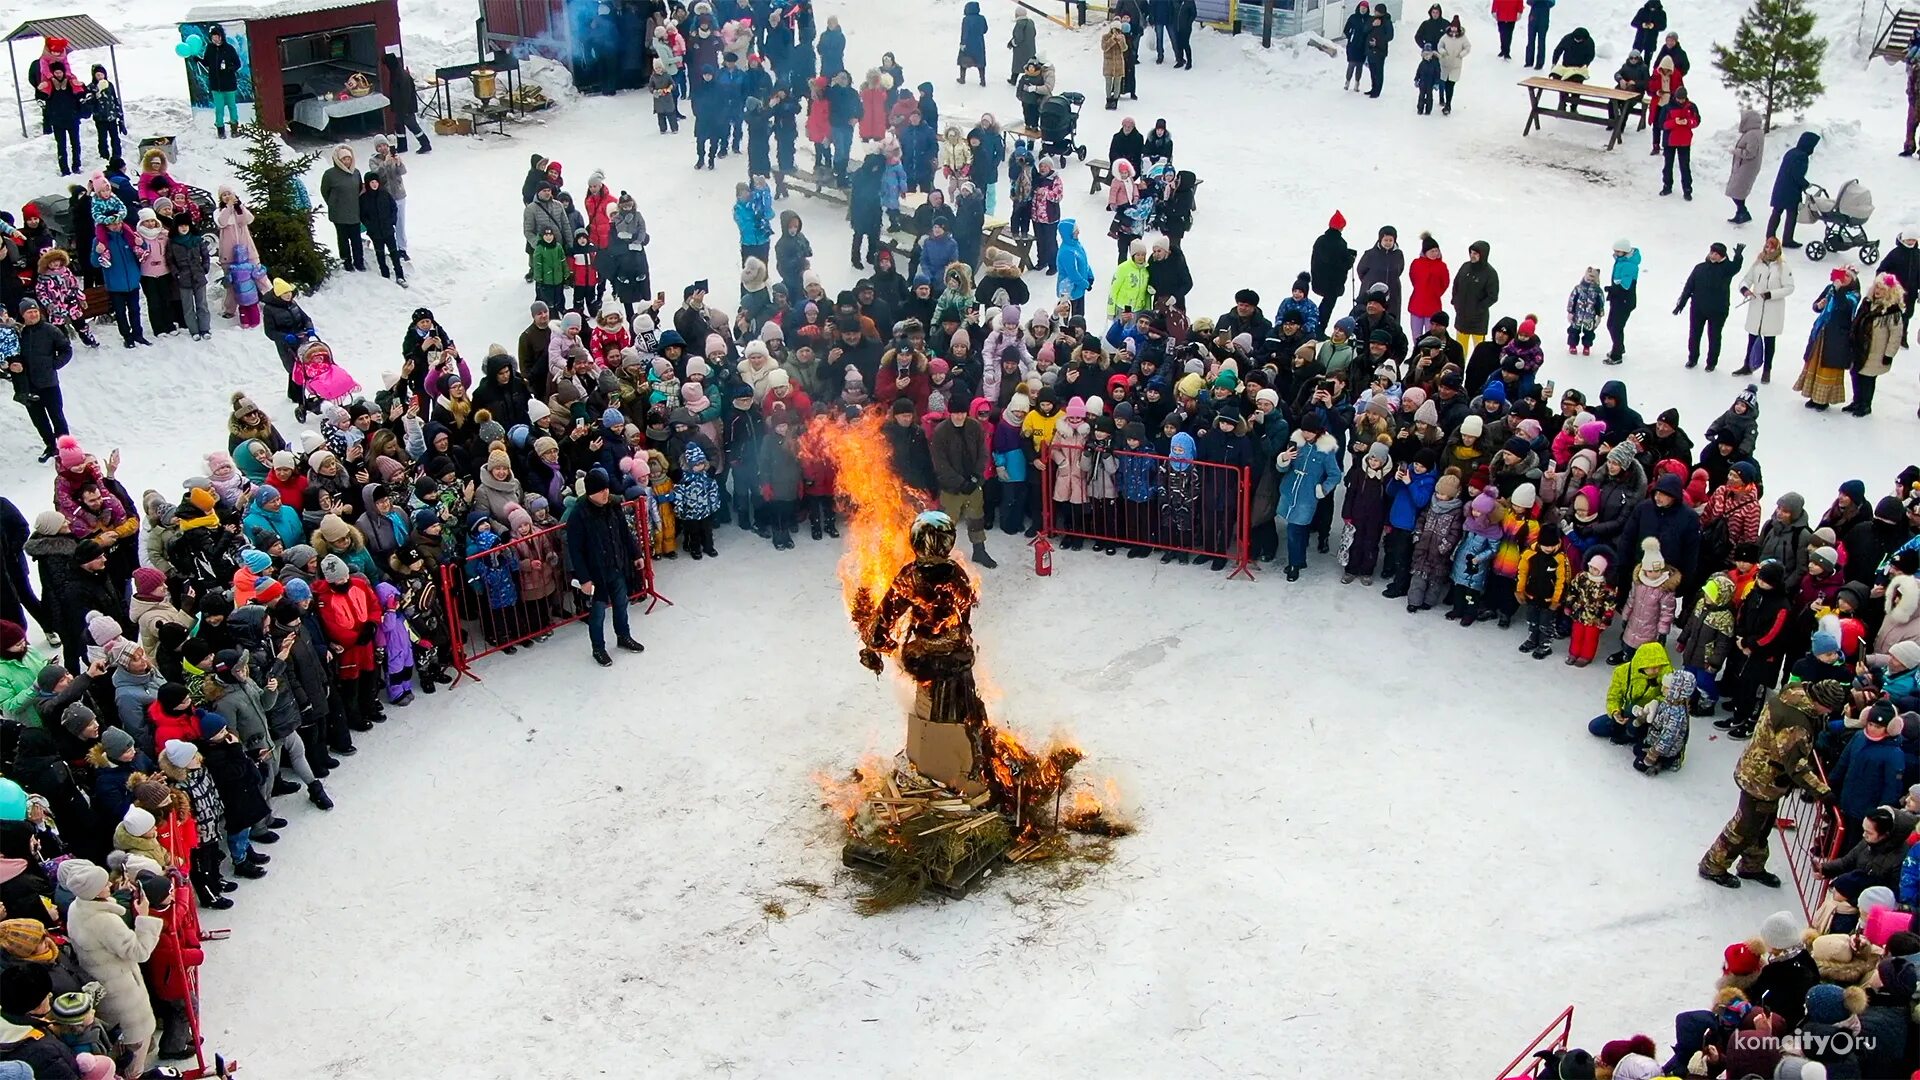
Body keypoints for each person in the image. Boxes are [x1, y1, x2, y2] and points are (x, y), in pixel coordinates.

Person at [1698, 680, 1846, 887]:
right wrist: (1823, 792)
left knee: (1762, 824)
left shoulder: (1794, 693)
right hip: (1761, 779)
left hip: (1764, 773)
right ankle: (1712, 865)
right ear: (1820, 702)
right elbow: (1796, 766)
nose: (1827, 713)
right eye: (1828, 709)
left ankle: (1753, 866)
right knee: (1745, 827)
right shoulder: (1795, 723)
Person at [564, 468, 646, 667]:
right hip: (595, 572)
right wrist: (584, 578)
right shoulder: (578, 515)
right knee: (598, 612)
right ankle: (598, 648)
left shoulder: (612, 505)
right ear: (590, 492)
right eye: (600, 490)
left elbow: (624, 532)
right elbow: (575, 550)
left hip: (615, 565)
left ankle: (623, 636)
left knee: (621, 603)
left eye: (607, 489)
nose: (605, 494)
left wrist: (636, 554)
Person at [6, 301, 72, 463]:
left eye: (35, 311)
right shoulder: (18, 333)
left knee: (57, 416)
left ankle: (66, 449)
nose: (33, 314)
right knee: (39, 420)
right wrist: (10, 367)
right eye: (29, 312)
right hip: (27, 385)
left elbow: (66, 349)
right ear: (22, 315)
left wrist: (54, 364)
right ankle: (50, 446)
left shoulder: (50, 330)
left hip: (49, 383)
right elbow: (9, 354)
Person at [1795, 266, 1859, 411]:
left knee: (1828, 366)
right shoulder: (1831, 288)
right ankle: (1813, 395)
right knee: (1815, 363)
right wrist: (1818, 305)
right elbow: (1816, 305)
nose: (1844, 279)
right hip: (1822, 331)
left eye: (1848, 277)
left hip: (1837, 336)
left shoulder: (1854, 295)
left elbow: (1845, 307)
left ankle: (1824, 400)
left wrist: (1838, 290)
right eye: (1843, 275)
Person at [1673, 242, 1743, 371]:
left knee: (1714, 336)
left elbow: (1735, 267)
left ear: (1722, 256)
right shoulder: (1700, 268)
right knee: (1694, 334)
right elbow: (1689, 286)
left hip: (1718, 310)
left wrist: (1738, 257)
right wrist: (1681, 303)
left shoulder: (1726, 269)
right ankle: (1692, 358)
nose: (1713, 255)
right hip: (1698, 308)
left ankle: (1711, 362)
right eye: (1712, 252)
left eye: (1716, 254)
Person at [1847, 272, 1906, 417]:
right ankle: (1857, 400)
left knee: (1868, 379)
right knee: (1856, 375)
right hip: (1860, 348)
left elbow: (1896, 335)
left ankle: (1865, 404)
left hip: (1876, 353)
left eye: (1882, 289)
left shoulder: (1892, 311)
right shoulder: (1867, 303)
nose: (1878, 291)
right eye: (1877, 287)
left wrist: (1889, 355)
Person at [1736, 236, 1794, 381]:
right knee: (1752, 337)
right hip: (1757, 306)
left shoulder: (1783, 267)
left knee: (1769, 340)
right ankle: (1747, 365)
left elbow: (1789, 287)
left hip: (1772, 309)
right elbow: (1746, 279)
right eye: (1767, 247)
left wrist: (1771, 294)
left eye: (1772, 247)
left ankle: (1767, 370)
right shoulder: (1758, 264)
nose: (1768, 250)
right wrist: (1745, 290)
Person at [1767, 132, 1818, 247]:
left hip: (1781, 187)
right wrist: (1806, 184)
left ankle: (1769, 237)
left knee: (1776, 212)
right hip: (1791, 190)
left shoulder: (1791, 152)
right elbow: (1797, 175)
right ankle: (1788, 239)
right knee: (1792, 214)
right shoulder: (1802, 156)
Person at [34, 64, 86, 177]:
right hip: (58, 121)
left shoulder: (71, 83)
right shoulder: (49, 85)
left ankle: (76, 166)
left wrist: (82, 86)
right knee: (61, 146)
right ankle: (64, 169)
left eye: (60, 72)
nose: (58, 74)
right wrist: (39, 89)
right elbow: (41, 97)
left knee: (76, 144)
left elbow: (81, 94)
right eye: (56, 72)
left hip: (72, 119)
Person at [319, 145, 365, 272]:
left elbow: (359, 189)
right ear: (339, 160)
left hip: (354, 212)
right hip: (339, 214)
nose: (347, 161)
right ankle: (346, 262)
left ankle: (359, 262)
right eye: (344, 159)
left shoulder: (356, 173)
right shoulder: (330, 174)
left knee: (356, 239)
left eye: (349, 159)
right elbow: (325, 191)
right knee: (343, 239)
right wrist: (333, 203)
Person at [380, 52, 431, 153]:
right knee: (398, 125)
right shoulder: (397, 73)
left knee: (412, 125)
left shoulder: (401, 76)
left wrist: (404, 110)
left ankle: (425, 144)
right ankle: (402, 146)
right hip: (400, 107)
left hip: (406, 108)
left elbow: (405, 95)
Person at [198, 25, 244, 137]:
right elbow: (206, 62)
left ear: (221, 36)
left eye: (216, 37)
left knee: (232, 107)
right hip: (216, 85)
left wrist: (230, 69)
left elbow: (237, 64)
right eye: (213, 37)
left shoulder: (229, 49)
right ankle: (220, 131)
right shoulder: (210, 48)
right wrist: (198, 59)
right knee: (219, 109)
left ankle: (234, 129)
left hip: (229, 84)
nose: (215, 39)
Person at [1603, 238, 1639, 365]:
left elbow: (1625, 286)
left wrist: (1612, 288)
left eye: (1618, 252)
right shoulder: (1622, 261)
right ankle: (1619, 347)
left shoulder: (1629, 265)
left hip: (1624, 301)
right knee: (1611, 325)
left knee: (1615, 327)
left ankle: (1617, 354)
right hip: (1617, 299)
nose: (1615, 254)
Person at [1726, 110, 1765, 225]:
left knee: (1736, 192)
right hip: (1746, 167)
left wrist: (1735, 151)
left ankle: (1743, 213)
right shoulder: (1756, 132)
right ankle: (1741, 213)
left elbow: (1750, 153)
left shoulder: (1752, 134)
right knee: (1738, 192)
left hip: (1746, 167)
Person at [1660, 87, 1699, 199]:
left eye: (1682, 99)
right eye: (1679, 99)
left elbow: (1696, 121)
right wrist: (1674, 122)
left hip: (1684, 141)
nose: (1681, 101)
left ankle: (1687, 190)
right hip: (1669, 141)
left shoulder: (1691, 107)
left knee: (1685, 166)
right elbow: (1662, 124)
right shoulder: (1667, 107)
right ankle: (1667, 186)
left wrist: (1688, 122)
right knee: (1668, 165)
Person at [1436, 19, 1470, 114]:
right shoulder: (1446, 37)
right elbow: (1440, 45)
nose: (1454, 29)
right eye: (1453, 26)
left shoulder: (1463, 38)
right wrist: (1443, 52)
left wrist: (1462, 54)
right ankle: (1444, 100)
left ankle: (1448, 104)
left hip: (1456, 65)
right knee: (1444, 83)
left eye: (1456, 27)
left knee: (1451, 84)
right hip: (1445, 64)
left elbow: (1468, 47)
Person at [957, 1, 988, 87]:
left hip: (968, 44)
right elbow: (985, 30)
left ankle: (962, 78)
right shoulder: (982, 18)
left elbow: (964, 32)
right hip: (979, 43)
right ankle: (982, 80)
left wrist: (963, 43)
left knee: (963, 60)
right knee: (981, 62)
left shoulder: (966, 19)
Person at [1343, 2, 1372, 91]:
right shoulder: (1353, 18)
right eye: (1362, 8)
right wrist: (1351, 36)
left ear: (1367, 9)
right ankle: (1347, 81)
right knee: (1351, 64)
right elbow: (1346, 30)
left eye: (1365, 8)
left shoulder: (1369, 19)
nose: (1363, 10)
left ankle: (1357, 83)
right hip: (1353, 45)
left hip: (1363, 46)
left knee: (1359, 65)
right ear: (1358, 8)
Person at [1524, 0, 1554, 69]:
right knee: (1530, 40)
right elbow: (1528, 2)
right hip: (1533, 16)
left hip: (1544, 17)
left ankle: (1540, 63)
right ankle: (1529, 61)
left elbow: (1552, 3)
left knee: (1541, 41)